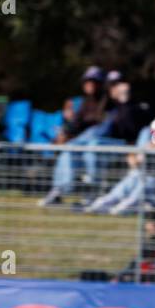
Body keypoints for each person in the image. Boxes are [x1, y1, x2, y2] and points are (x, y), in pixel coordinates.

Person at [39, 66, 119, 206]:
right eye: (87, 81)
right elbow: (76, 124)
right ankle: (59, 190)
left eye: (95, 81)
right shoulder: (86, 102)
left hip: (107, 143)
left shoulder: (111, 102)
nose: (90, 84)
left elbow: (106, 128)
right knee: (69, 149)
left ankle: (92, 195)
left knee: (90, 145)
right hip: (86, 143)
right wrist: (64, 133)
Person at [82, 120, 155, 215]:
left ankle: (118, 210)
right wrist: (138, 157)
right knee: (127, 184)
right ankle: (97, 207)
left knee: (146, 184)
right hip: (142, 180)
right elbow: (134, 160)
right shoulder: (150, 147)